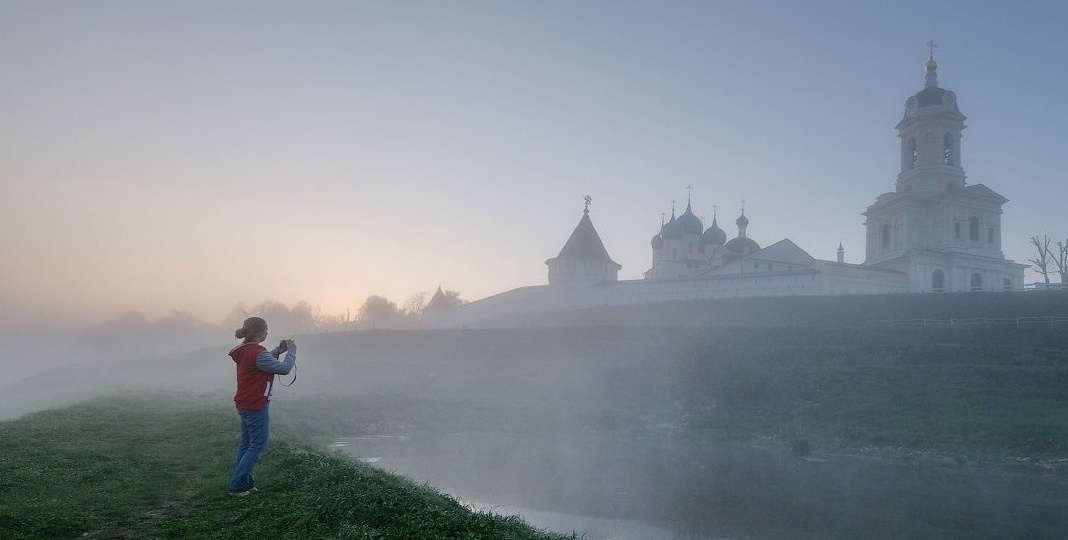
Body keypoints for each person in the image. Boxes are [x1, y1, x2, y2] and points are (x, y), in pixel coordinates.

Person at [227, 316, 297, 497]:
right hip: (256, 403)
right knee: (259, 445)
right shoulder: (257, 353)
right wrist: (291, 352)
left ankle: (245, 482)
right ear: (259, 333)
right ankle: (237, 486)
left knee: (246, 444)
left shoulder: (245, 351)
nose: (267, 333)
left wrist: (278, 350)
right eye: (266, 331)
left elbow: (261, 361)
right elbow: (284, 369)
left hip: (244, 402)